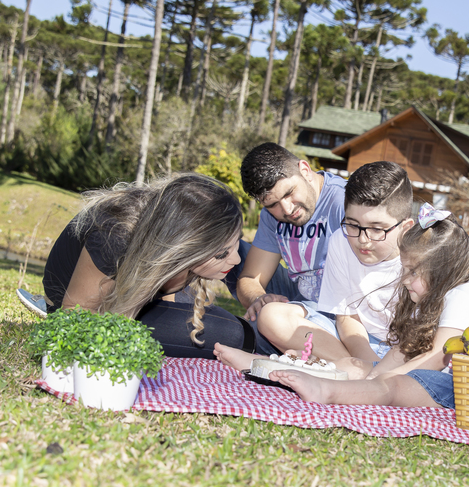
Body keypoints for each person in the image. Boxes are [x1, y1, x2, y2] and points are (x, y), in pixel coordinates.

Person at [214, 202, 469, 408]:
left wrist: (381, 379)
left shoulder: (459, 297)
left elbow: (436, 358)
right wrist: (373, 373)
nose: (405, 279)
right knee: (351, 366)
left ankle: (326, 391)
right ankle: (266, 365)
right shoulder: (423, 303)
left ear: (442, 271)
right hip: (420, 376)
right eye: (405, 270)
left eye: (413, 272)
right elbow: (403, 351)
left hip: (452, 388)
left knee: (393, 387)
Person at [41, 174, 259, 358]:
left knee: (224, 328)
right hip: (86, 308)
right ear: (185, 248)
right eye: (222, 253)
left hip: (138, 300)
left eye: (236, 243)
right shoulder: (113, 235)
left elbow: (167, 296)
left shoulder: (171, 238)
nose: (236, 260)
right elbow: (75, 316)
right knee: (231, 334)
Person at [253, 160, 416, 376]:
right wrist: (368, 363)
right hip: (350, 342)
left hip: (404, 349)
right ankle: (357, 372)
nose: (363, 240)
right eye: (353, 224)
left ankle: (344, 371)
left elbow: (424, 336)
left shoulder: (422, 257)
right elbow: (347, 318)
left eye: (377, 229)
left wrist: (383, 365)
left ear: (405, 228)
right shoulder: (341, 239)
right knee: (271, 316)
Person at [236, 142, 347, 322]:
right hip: (300, 296)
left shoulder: (346, 203)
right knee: (232, 252)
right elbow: (250, 278)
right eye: (273, 204)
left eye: (289, 193)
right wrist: (259, 299)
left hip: (342, 308)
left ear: (305, 171)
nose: (287, 209)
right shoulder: (270, 215)